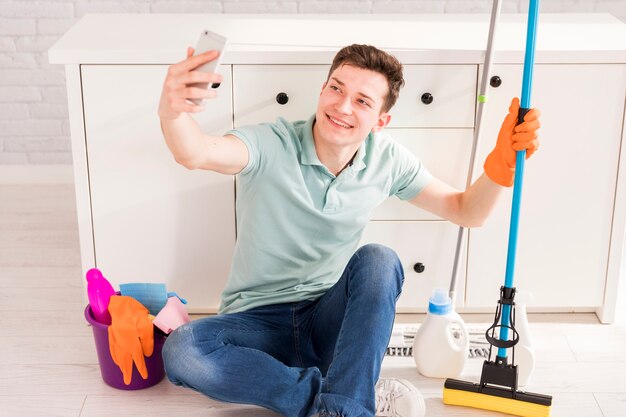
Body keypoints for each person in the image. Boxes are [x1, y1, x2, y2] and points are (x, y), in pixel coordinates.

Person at [157, 44, 540, 417]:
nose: (342, 106)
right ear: (322, 91)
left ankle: (333, 401)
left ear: (380, 121)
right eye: (336, 88)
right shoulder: (271, 143)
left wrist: (500, 167)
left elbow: (465, 211)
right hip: (256, 324)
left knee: (379, 260)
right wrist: (173, 112)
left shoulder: (387, 159)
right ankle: (342, 405)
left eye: (362, 101)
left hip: (328, 323)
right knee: (184, 351)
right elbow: (197, 151)